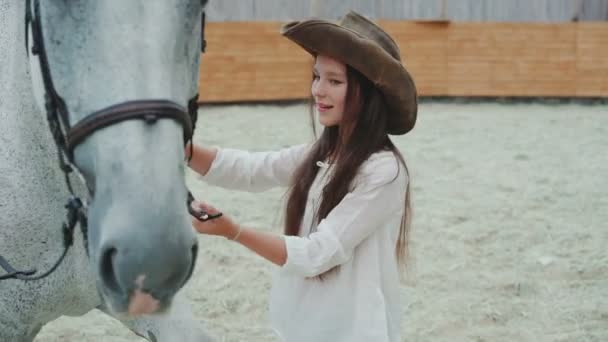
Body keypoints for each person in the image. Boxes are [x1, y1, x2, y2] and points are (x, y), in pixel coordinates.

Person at [187, 10, 418, 342]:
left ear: (367, 94)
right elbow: (252, 170)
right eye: (316, 76)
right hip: (303, 323)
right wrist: (182, 148)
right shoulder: (323, 152)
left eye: (334, 81)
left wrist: (233, 231)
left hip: (352, 330)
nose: (318, 91)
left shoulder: (384, 171)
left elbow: (317, 253)